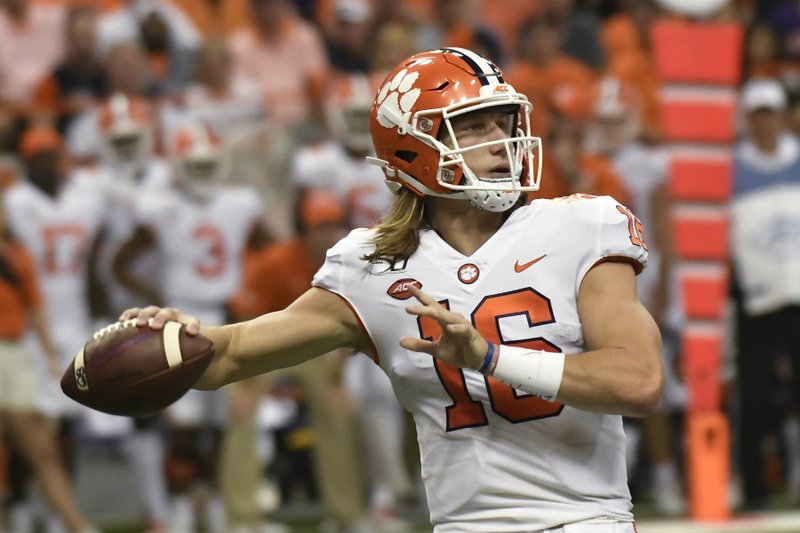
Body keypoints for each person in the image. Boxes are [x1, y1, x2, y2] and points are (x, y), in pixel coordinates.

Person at [120, 47, 664, 532]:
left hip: (586, 519)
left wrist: (489, 357)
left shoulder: (580, 227)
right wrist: (169, 336)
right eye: (473, 127)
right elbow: (229, 356)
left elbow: (639, 381)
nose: (503, 142)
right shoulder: (371, 267)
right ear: (413, 149)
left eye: (504, 122)